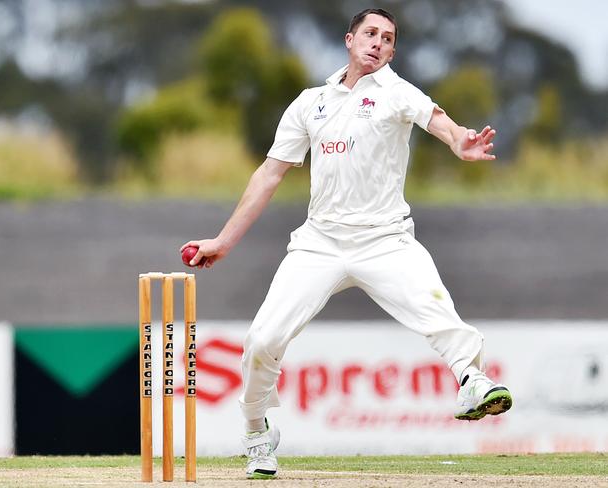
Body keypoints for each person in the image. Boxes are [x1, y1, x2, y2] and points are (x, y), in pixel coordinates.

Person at [181, 7, 512, 479]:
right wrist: (223, 241)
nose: (378, 43)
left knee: (440, 313)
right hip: (320, 242)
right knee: (262, 340)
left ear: (393, 51)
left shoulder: (398, 92)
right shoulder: (310, 102)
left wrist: (460, 141)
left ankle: (472, 382)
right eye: (371, 34)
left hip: (387, 239)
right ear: (349, 39)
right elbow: (269, 174)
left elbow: (438, 121)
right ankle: (256, 429)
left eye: (388, 38)